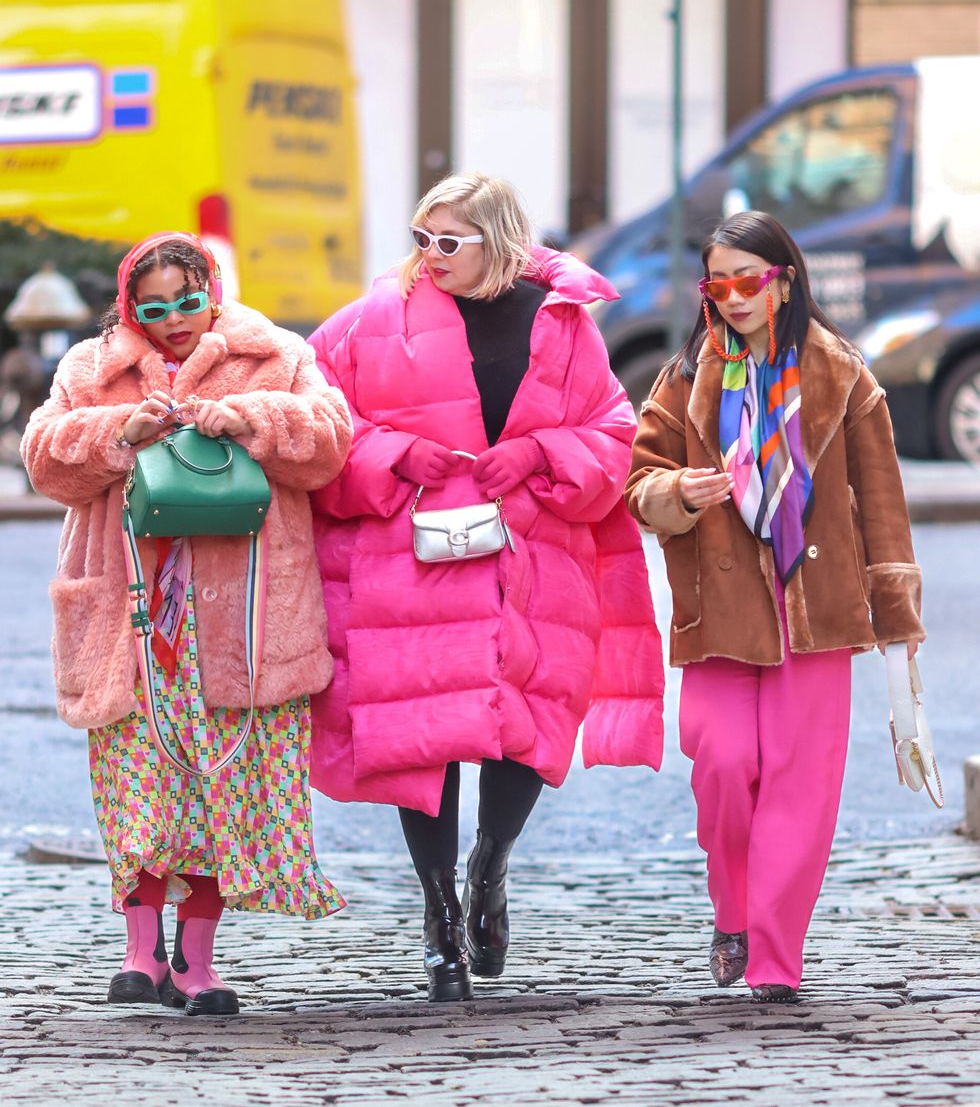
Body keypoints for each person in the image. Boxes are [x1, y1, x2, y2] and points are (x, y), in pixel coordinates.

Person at [307, 172, 664, 1002]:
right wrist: (395, 454)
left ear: (497, 238)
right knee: (423, 735)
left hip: (534, 551)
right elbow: (318, 416)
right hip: (416, 559)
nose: (427, 255)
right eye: (421, 235)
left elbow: (614, 428)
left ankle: (489, 867)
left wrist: (539, 454)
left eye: (448, 240)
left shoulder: (564, 323)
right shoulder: (371, 319)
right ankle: (438, 923)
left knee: (533, 722)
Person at [22, 232, 353, 1015]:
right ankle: (141, 956)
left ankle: (196, 964)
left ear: (213, 292)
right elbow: (43, 457)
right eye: (155, 306)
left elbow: (331, 440)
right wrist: (117, 433)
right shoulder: (91, 367)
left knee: (219, 793)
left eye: (189, 302)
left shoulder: (276, 354)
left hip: (240, 624)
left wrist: (245, 418)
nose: (174, 320)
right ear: (130, 306)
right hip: (131, 623)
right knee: (142, 790)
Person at [626, 210, 925, 1003]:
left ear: (783, 278)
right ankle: (734, 910)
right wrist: (676, 493)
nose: (732, 296)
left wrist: (896, 618)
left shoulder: (843, 373)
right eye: (716, 282)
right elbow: (638, 478)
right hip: (717, 608)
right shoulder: (687, 375)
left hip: (817, 609)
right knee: (723, 761)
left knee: (799, 782)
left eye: (746, 279)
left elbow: (883, 503)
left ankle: (774, 959)